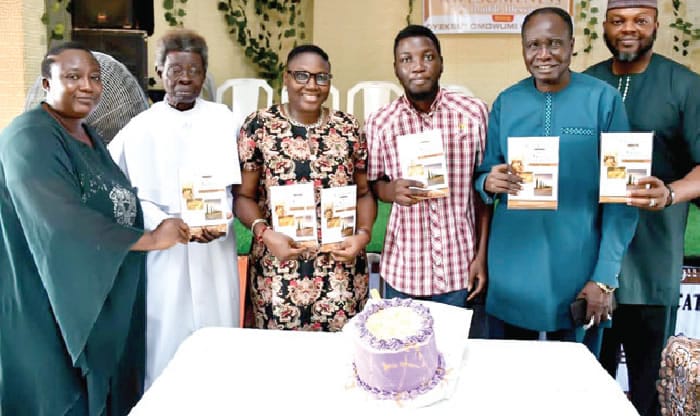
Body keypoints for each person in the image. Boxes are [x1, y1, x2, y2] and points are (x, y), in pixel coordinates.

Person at [0, 43, 189, 416]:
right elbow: (62, 221)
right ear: (46, 83)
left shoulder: (88, 136)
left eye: (94, 77)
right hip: (43, 298)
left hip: (88, 290)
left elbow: (116, 201)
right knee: (56, 393)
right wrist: (151, 239)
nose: (87, 86)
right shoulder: (28, 136)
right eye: (73, 76)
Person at [474, 7, 638, 353]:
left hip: (579, 271)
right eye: (533, 45)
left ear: (572, 45)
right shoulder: (506, 102)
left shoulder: (604, 100)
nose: (544, 54)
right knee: (509, 374)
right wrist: (488, 182)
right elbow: (485, 172)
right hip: (512, 269)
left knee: (576, 378)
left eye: (554, 43)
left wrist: (604, 276)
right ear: (523, 48)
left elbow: (622, 196)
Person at [108, 30, 242, 388]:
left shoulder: (224, 119)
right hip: (165, 244)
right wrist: (162, 221)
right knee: (165, 331)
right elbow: (119, 187)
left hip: (214, 244)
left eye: (194, 70)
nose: (185, 78)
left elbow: (240, 182)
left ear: (204, 74)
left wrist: (222, 216)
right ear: (159, 71)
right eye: (176, 70)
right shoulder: (141, 126)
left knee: (217, 328)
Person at [584, 0, 700, 413]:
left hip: (651, 261)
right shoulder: (587, 83)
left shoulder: (684, 85)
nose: (628, 29)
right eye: (618, 21)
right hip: (591, 266)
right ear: (605, 26)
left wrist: (669, 193)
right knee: (587, 388)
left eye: (640, 20)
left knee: (650, 391)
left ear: (656, 24)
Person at [235, 44, 375, 331]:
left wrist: (363, 236)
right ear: (286, 78)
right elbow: (243, 197)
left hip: (340, 268)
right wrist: (265, 234)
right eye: (301, 75)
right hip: (277, 268)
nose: (311, 85)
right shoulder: (259, 125)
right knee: (281, 352)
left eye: (321, 77)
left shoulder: (348, 128)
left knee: (341, 352)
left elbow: (364, 193)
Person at [364, 24, 490, 337]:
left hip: (461, 266)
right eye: (407, 59)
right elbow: (373, 184)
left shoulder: (473, 113)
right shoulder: (381, 123)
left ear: (441, 63)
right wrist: (391, 190)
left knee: (461, 353)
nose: (418, 66)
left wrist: (481, 257)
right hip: (404, 268)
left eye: (427, 57)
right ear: (396, 68)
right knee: (404, 355)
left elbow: (484, 191)